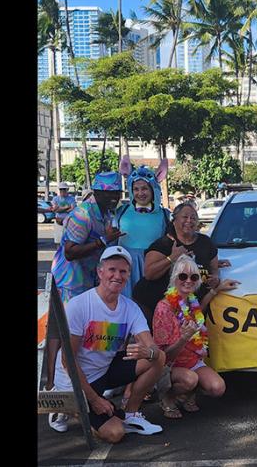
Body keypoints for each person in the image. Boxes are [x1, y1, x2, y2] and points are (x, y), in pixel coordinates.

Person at [49, 246, 165, 440]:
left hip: (103, 372)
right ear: (100, 271)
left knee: (159, 357)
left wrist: (150, 352)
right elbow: (67, 360)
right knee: (115, 433)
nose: (117, 276)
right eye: (112, 269)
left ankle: (130, 414)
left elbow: (151, 345)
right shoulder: (80, 305)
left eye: (123, 271)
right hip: (75, 381)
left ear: (128, 275)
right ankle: (66, 407)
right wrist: (94, 400)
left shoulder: (130, 307)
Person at [47, 171, 126, 391]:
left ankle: (85, 381)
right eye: (108, 193)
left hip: (89, 278)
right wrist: (103, 241)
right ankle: (56, 386)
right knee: (65, 331)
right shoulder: (83, 214)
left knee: (83, 329)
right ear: (96, 192)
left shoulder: (105, 212)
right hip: (70, 280)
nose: (113, 197)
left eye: (116, 193)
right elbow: (71, 252)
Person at [152, 255, 240, 418]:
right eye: (183, 276)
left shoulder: (190, 301)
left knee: (217, 388)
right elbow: (163, 357)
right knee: (190, 379)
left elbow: (201, 308)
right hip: (168, 366)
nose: (188, 281)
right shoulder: (163, 308)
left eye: (193, 277)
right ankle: (168, 397)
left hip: (192, 361)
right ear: (174, 279)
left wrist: (216, 289)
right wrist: (184, 338)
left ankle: (186, 393)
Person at [132, 202, 221, 329]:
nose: (189, 221)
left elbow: (214, 268)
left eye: (193, 218)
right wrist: (172, 258)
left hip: (192, 308)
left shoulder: (206, 242)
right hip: (154, 307)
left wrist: (216, 278)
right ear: (174, 221)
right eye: (185, 217)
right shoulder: (164, 244)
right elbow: (149, 274)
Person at [115, 156, 171, 300]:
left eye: (145, 188)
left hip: (154, 268)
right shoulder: (121, 212)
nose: (140, 193)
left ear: (153, 189)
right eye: (136, 189)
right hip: (125, 269)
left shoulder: (165, 215)